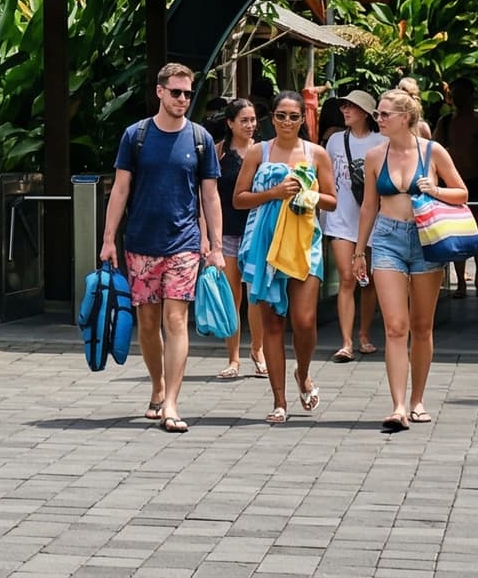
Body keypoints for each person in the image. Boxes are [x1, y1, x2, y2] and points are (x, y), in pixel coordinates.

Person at [99, 62, 223, 435]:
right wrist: (108, 239)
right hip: (140, 241)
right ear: (159, 92)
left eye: (187, 93)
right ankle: (157, 386)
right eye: (176, 92)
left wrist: (215, 246)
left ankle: (171, 402)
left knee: (175, 320)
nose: (183, 99)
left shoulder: (199, 139)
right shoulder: (135, 136)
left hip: (183, 242)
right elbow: (120, 189)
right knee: (148, 323)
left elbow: (211, 195)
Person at [355, 88, 468, 431]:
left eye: (385, 114)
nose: (379, 119)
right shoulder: (375, 156)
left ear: (405, 118)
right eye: (378, 114)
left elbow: (461, 192)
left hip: (425, 239)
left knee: (421, 327)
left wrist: (434, 190)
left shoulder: (433, 152)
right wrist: (360, 250)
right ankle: (398, 405)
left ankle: (418, 399)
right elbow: (369, 205)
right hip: (388, 239)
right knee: (394, 326)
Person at [235, 91, 336, 425]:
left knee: (305, 320)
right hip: (265, 244)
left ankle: (303, 373)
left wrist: (308, 194)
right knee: (272, 324)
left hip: (305, 243)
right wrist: (274, 193)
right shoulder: (257, 152)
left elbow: (333, 201)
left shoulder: (316, 153)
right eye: (281, 115)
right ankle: (279, 401)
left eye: (294, 116)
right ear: (272, 118)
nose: (288, 122)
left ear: (302, 119)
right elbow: (239, 199)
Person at [323, 88, 384, 363]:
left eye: (352, 106)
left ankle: (364, 333)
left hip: (372, 217)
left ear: (366, 113)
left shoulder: (382, 141)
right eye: (344, 106)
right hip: (340, 217)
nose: (345, 110)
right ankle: (346, 341)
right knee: (347, 276)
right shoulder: (335, 140)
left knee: (366, 279)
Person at [214, 99, 263, 381]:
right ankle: (233, 358)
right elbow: (206, 193)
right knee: (232, 297)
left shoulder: (264, 150)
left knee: (256, 296)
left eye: (253, 119)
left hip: (258, 232)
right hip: (228, 231)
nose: (249, 125)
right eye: (243, 120)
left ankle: (258, 350)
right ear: (230, 123)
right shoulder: (219, 152)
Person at [440, 79, 478, 299]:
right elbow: (434, 152)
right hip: (453, 183)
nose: (460, 99)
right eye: (456, 94)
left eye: (464, 94)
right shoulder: (445, 123)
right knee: (456, 232)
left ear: (471, 96)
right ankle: (461, 281)